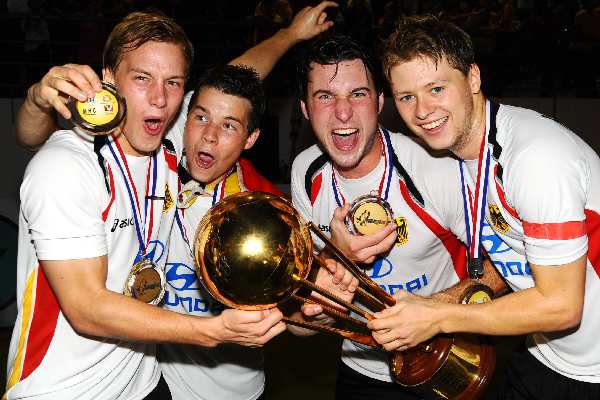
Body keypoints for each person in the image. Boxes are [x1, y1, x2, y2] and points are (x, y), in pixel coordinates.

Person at [9, 4, 342, 399]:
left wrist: (290, 34)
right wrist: (211, 332)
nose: (159, 98)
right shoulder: (67, 165)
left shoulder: (168, 144)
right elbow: (86, 309)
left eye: (173, 83)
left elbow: (232, 88)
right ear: (108, 79)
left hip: (143, 385)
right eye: (142, 78)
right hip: (64, 390)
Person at [377, 15, 600, 399]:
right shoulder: (467, 155)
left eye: (436, 88)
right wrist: (439, 299)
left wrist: (438, 317)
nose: (422, 110)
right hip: (544, 352)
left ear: (474, 79)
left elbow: (563, 305)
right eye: (407, 97)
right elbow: (515, 254)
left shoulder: (535, 159)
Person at [289, 34, 505, 400]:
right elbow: (305, 307)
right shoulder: (306, 172)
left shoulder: (434, 167)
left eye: (358, 94)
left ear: (380, 101)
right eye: (325, 97)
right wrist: (329, 279)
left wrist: (433, 311)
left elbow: (504, 265)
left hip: (448, 358)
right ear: (306, 110)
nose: (343, 113)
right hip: (361, 363)